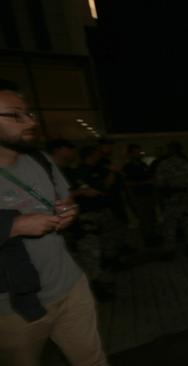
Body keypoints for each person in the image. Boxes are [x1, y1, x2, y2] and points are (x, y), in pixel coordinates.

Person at [0, 81, 107, 365]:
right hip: (12, 308)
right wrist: (14, 225)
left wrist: (68, 210)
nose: (30, 121)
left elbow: (66, 199)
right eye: (15, 115)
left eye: (29, 113)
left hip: (70, 286)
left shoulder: (40, 159)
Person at [154, 141, 188, 259]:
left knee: (170, 226)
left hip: (170, 200)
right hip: (185, 200)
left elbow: (159, 184)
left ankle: (170, 251)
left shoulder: (163, 165)